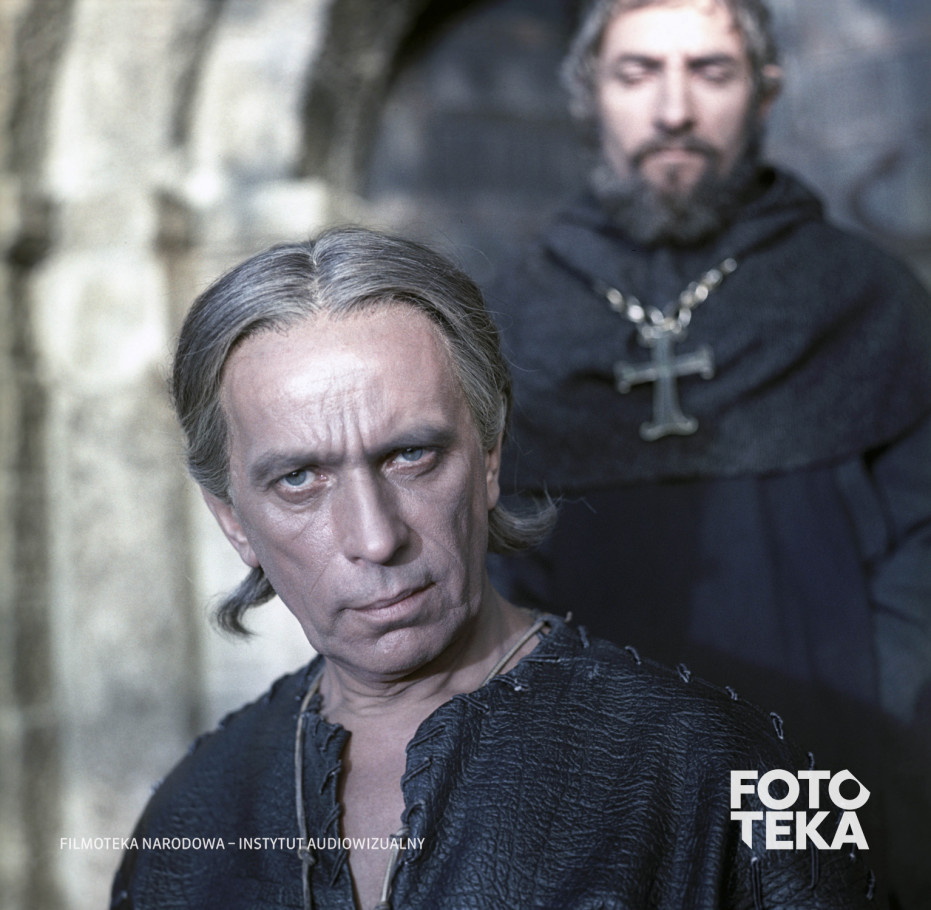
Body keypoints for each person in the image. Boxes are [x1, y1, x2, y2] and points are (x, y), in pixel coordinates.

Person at [111, 227, 879, 909]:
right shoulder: (187, 821)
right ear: (233, 519)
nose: (374, 537)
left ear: (488, 456)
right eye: (299, 479)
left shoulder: (722, 770)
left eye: (411, 455)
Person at [485, 0, 931, 906]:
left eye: (710, 71)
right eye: (637, 72)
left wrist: (871, 717)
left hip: (831, 764)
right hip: (586, 778)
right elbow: (491, 566)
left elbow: (923, 551)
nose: (674, 109)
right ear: (589, 94)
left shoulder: (864, 296)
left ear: (764, 93)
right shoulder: (509, 315)